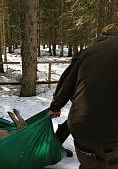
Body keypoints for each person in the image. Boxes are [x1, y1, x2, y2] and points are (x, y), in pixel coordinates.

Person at [49, 24, 118, 169]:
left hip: (80, 127)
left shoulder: (88, 52)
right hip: (110, 135)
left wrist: (56, 106)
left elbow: (66, 81)